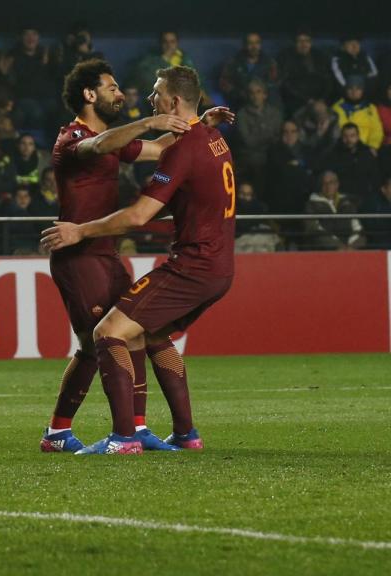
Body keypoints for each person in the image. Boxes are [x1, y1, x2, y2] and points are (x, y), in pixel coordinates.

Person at [43, 65, 236, 455]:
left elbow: (161, 148)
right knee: (95, 343)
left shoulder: (120, 140)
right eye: (112, 88)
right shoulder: (72, 136)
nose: (121, 94)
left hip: (106, 251)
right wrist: (158, 121)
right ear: (90, 96)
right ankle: (60, 432)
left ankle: (138, 428)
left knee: (137, 333)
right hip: (80, 256)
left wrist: (196, 124)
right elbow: (98, 146)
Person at [219, 32, 279, 111]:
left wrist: (259, 94)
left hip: (263, 104)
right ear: (244, 45)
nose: (254, 47)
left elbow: (273, 83)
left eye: (257, 43)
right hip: (240, 103)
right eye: (250, 43)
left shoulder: (269, 63)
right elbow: (224, 83)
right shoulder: (234, 62)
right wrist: (239, 94)